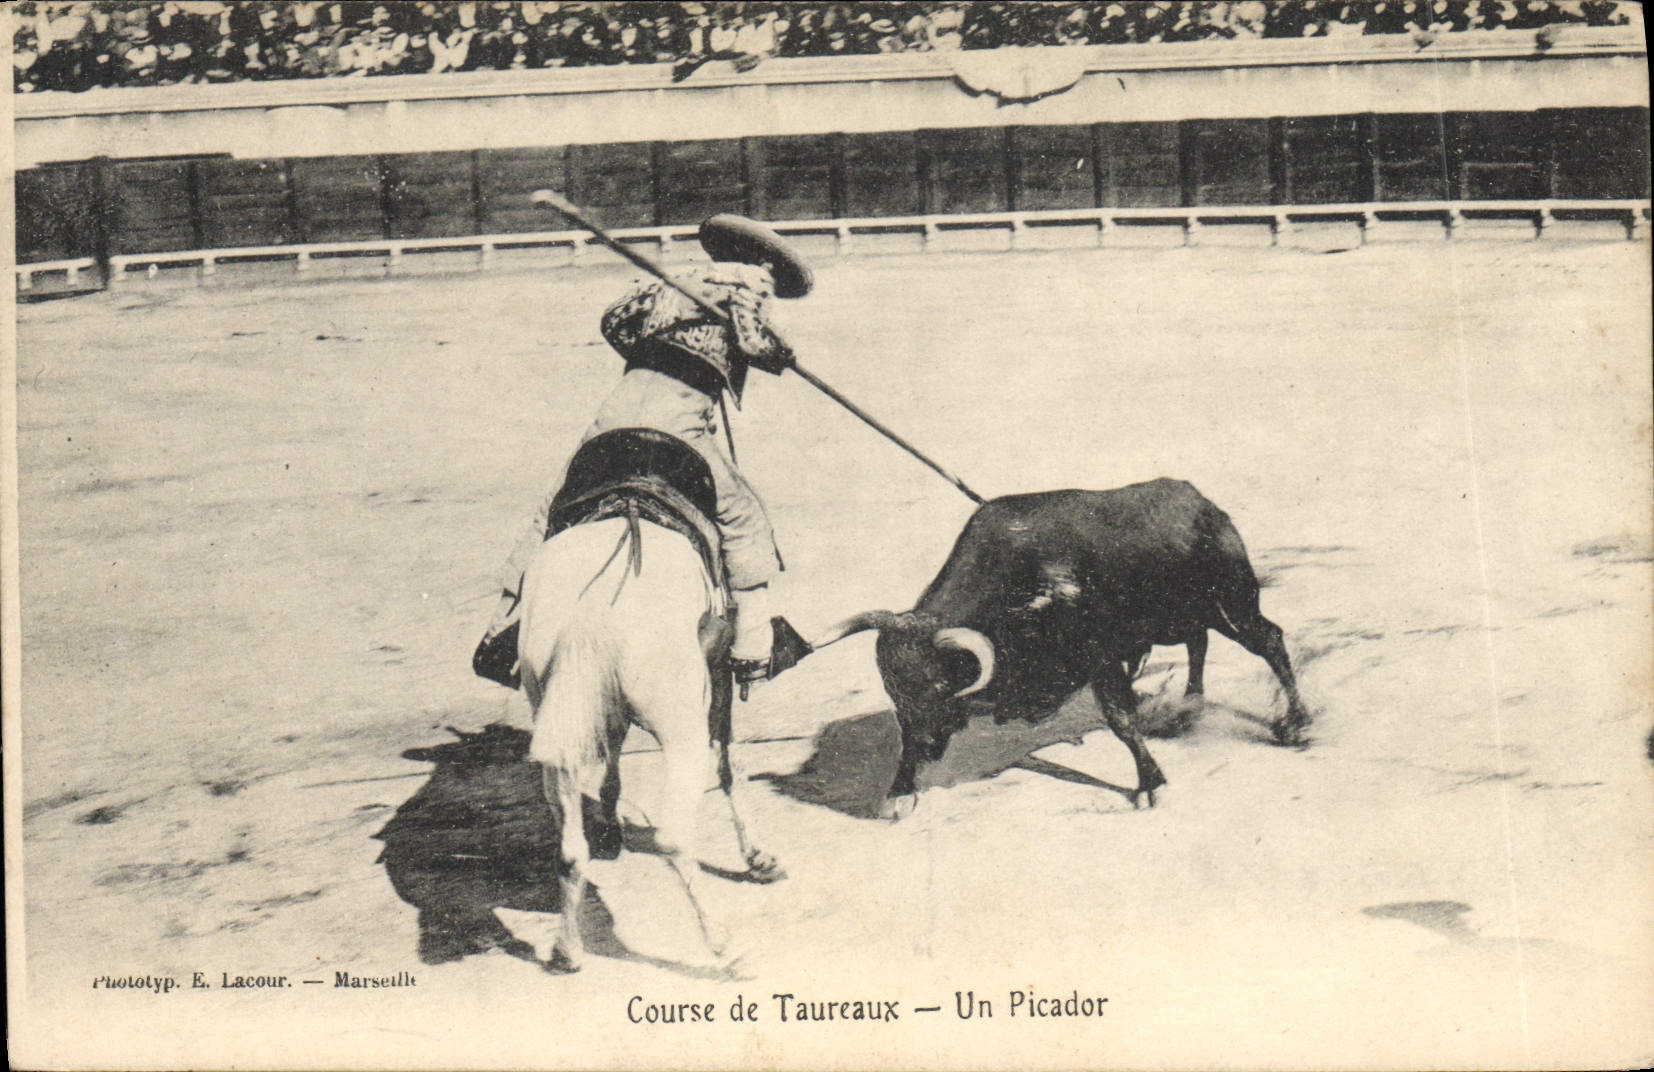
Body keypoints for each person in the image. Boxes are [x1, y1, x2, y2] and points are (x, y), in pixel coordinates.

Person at [475, 214, 813, 690]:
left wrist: (659, 342)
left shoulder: (671, 279)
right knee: (745, 516)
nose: (771, 280)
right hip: (678, 423)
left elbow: (614, 322)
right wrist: (784, 356)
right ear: (764, 262)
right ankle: (753, 648)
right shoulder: (749, 281)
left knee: (551, 509)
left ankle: (502, 631)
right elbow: (756, 341)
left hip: (613, 417)